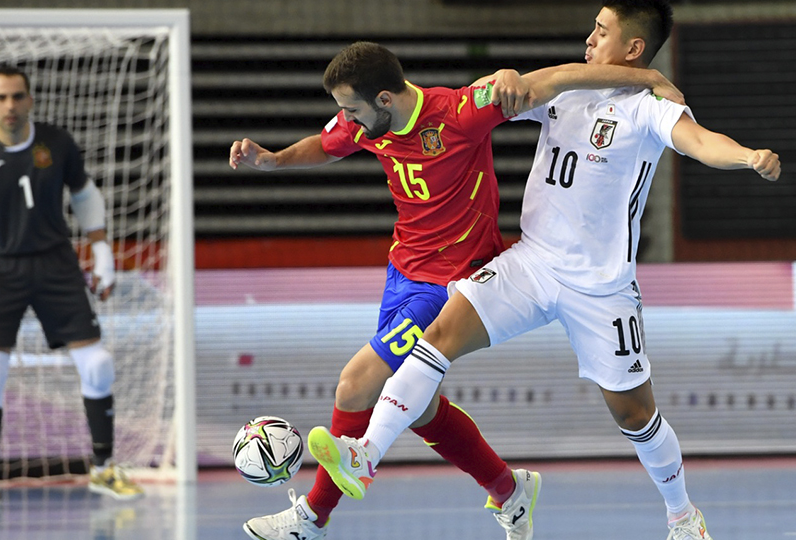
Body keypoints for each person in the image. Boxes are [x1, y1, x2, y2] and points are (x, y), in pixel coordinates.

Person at [306, 3, 781, 540]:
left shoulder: (650, 108)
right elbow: (515, 92)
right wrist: (504, 78)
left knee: (635, 416)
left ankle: (681, 515)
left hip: (601, 288)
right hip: (530, 264)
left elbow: (701, 142)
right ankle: (365, 455)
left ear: (632, 48)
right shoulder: (567, 90)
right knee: (436, 337)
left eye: (601, 32)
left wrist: (746, 156)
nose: (588, 38)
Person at [230, 41, 682, 540]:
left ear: (384, 99)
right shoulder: (367, 125)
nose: (346, 120)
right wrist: (274, 160)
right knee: (418, 407)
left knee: (356, 384)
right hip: (402, 271)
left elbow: (551, 79)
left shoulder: (458, 112)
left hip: (449, 282)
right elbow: (326, 143)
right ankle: (510, 490)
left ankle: (311, 520)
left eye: (351, 109)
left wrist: (646, 79)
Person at [0, 65, 144, 509]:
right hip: (0, 272)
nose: (10, 105)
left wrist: (102, 253)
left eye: (17, 96)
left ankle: (103, 467)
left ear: (30, 100)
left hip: (56, 265)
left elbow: (85, 195)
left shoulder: (57, 144)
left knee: (97, 365)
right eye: (1, 97)